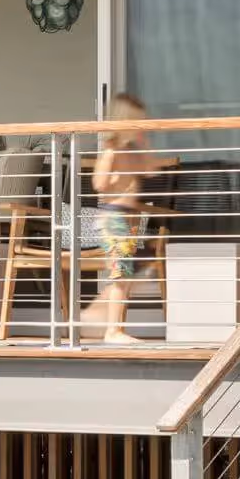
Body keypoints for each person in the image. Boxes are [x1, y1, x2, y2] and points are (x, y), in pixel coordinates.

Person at [82, 92, 168, 343]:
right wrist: (113, 176)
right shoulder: (111, 151)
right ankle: (113, 330)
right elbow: (98, 183)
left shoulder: (131, 151)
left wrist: (145, 142)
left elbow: (151, 170)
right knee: (121, 273)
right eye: (137, 122)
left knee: (127, 271)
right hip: (113, 217)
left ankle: (98, 314)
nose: (141, 126)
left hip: (128, 218)